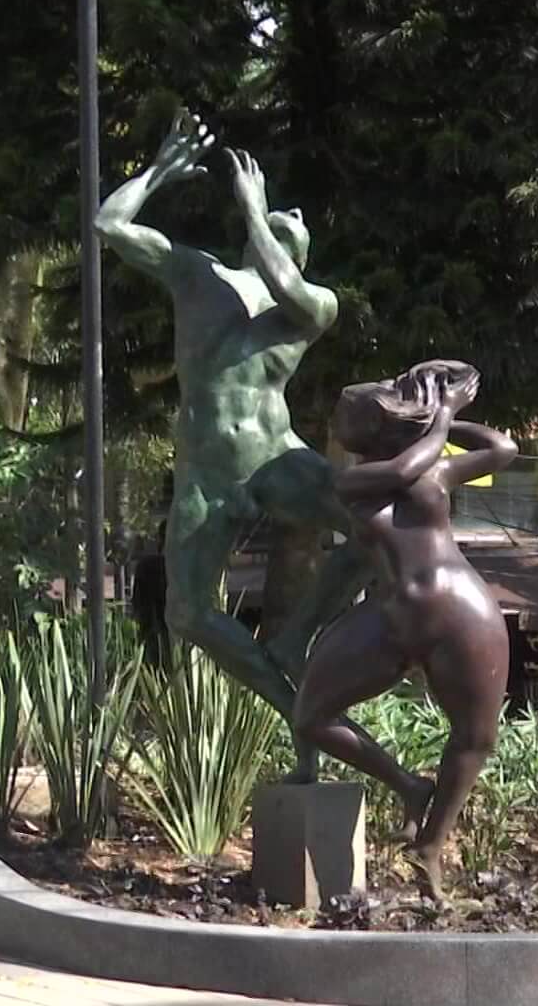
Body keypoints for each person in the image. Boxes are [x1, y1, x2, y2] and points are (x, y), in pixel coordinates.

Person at [94, 109, 373, 780]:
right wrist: (159, 170)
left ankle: (294, 633)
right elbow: (109, 225)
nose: (293, 209)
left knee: (378, 527)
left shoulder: (313, 304)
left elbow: (286, 285)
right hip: (206, 471)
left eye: (296, 220)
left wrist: (255, 210)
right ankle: (293, 704)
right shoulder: (199, 278)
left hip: (278, 460)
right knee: (187, 613)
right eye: (282, 213)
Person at [293, 361, 517, 900]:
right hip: (391, 617)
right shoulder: (355, 479)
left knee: (476, 736)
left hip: (460, 610)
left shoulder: (436, 469)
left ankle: (430, 846)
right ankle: (409, 787)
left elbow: (503, 449)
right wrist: (439, 419)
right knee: (311, 717)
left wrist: (444, 415)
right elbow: (402, 472)